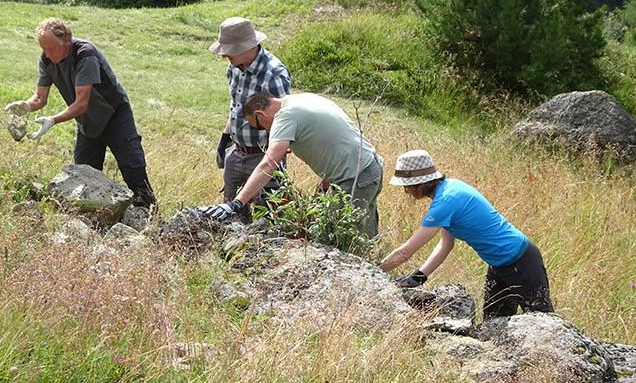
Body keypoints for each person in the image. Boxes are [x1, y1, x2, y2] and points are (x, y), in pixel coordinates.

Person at [378, 149, 553, 319]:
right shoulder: (450, 189)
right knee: (493, 327)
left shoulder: (446, 201)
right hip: (498, 265)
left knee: (544, 324)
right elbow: (446, 245)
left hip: (521, 262)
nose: (406, 191)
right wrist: (419, 276)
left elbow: (405, 252)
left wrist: (374, 273)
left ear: (419, 184)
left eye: (407, 186)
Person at [4, 17, 156, 208]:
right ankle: (95, 219)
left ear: (66, 40)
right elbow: (40, 98)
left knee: (132, 167)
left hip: (114, 115)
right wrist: (24, 106)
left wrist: (52, 120)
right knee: (84, 174)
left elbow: (81, 103)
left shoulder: (85, 55)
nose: (47, 54)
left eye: (50, 48)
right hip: (87, 122)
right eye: (43, 48)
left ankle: (149, 214)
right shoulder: (47, 60)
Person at [202, 91, 384, 239]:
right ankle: (377, 275)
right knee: (365, 234)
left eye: (259, 126)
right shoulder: (303, 99)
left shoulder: (285, 116)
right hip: (370, 168)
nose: (265, 131)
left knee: (336, 235)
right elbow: (332, 141)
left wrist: (236, 203)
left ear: (260, 114)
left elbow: (268, 163)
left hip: (355, 177)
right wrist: (324, 185)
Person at [209, 17, 291, 223]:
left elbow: (283, 120)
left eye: (228, 50)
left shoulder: (273, 74)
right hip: (235, 152)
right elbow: (235, 105)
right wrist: (225, 139)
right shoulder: (234, 68)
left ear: (245, 47)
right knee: (231, 215)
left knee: (267, 219)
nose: (224, 55)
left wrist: (273, 163)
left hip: (263, 156)